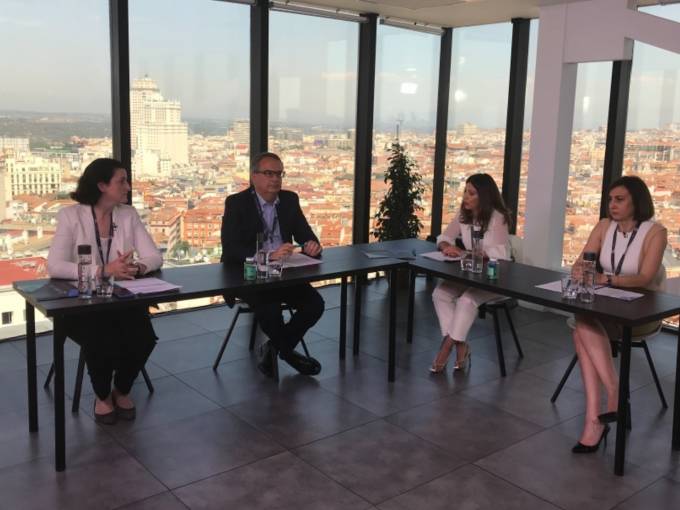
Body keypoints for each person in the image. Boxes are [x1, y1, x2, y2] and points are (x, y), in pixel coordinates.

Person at [47, 158, 162, 424]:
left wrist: (137, 267)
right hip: (81, 303)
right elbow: (55, 266)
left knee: (144, 338)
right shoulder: (71, 216)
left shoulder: (128, 215)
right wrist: (102, 270)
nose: (128, 186)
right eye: (122, 181)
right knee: (101, 339)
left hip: (119, 300)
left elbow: (155, 257)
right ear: (101, 185)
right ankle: (102, 396)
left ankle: (121, 389)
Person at [570, 176, 666, 453]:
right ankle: (609, 401)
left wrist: (608, 279)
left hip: (640, 312)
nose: (612, 205)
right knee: (583, 322)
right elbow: (581, 262)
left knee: (582, 327)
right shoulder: (604, 226)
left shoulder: (655, 232)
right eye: (610, 199)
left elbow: (645, 277)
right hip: (605, 306)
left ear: (637, 202)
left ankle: (601, 411)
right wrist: (581, 269)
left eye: (619, 199)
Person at [220, 152, 324, 378]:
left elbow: (306, 235)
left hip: (283, 273)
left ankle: (273, 348)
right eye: (268, 173)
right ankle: (288, 354)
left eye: (279, 174)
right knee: (270, 309)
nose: (275, 179)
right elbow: (231, 249)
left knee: (315, 304)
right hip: (249, 274)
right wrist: (268, 255)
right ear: (254, 176)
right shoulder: (237, 203)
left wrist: (311, 245)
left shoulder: (289, 200)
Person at [430, 173, 512, 373]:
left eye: (472, 193)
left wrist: (480, 252)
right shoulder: (463, 215)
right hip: (471, 273)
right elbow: (444, 237)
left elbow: (502, 254)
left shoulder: (498, 217)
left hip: (496, 278)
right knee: (440, 294)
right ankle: (461, 346)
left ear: (484, 196)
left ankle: (446, 348)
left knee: (466, 300)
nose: (466, 197)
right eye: (466, 191)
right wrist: (446, 247)